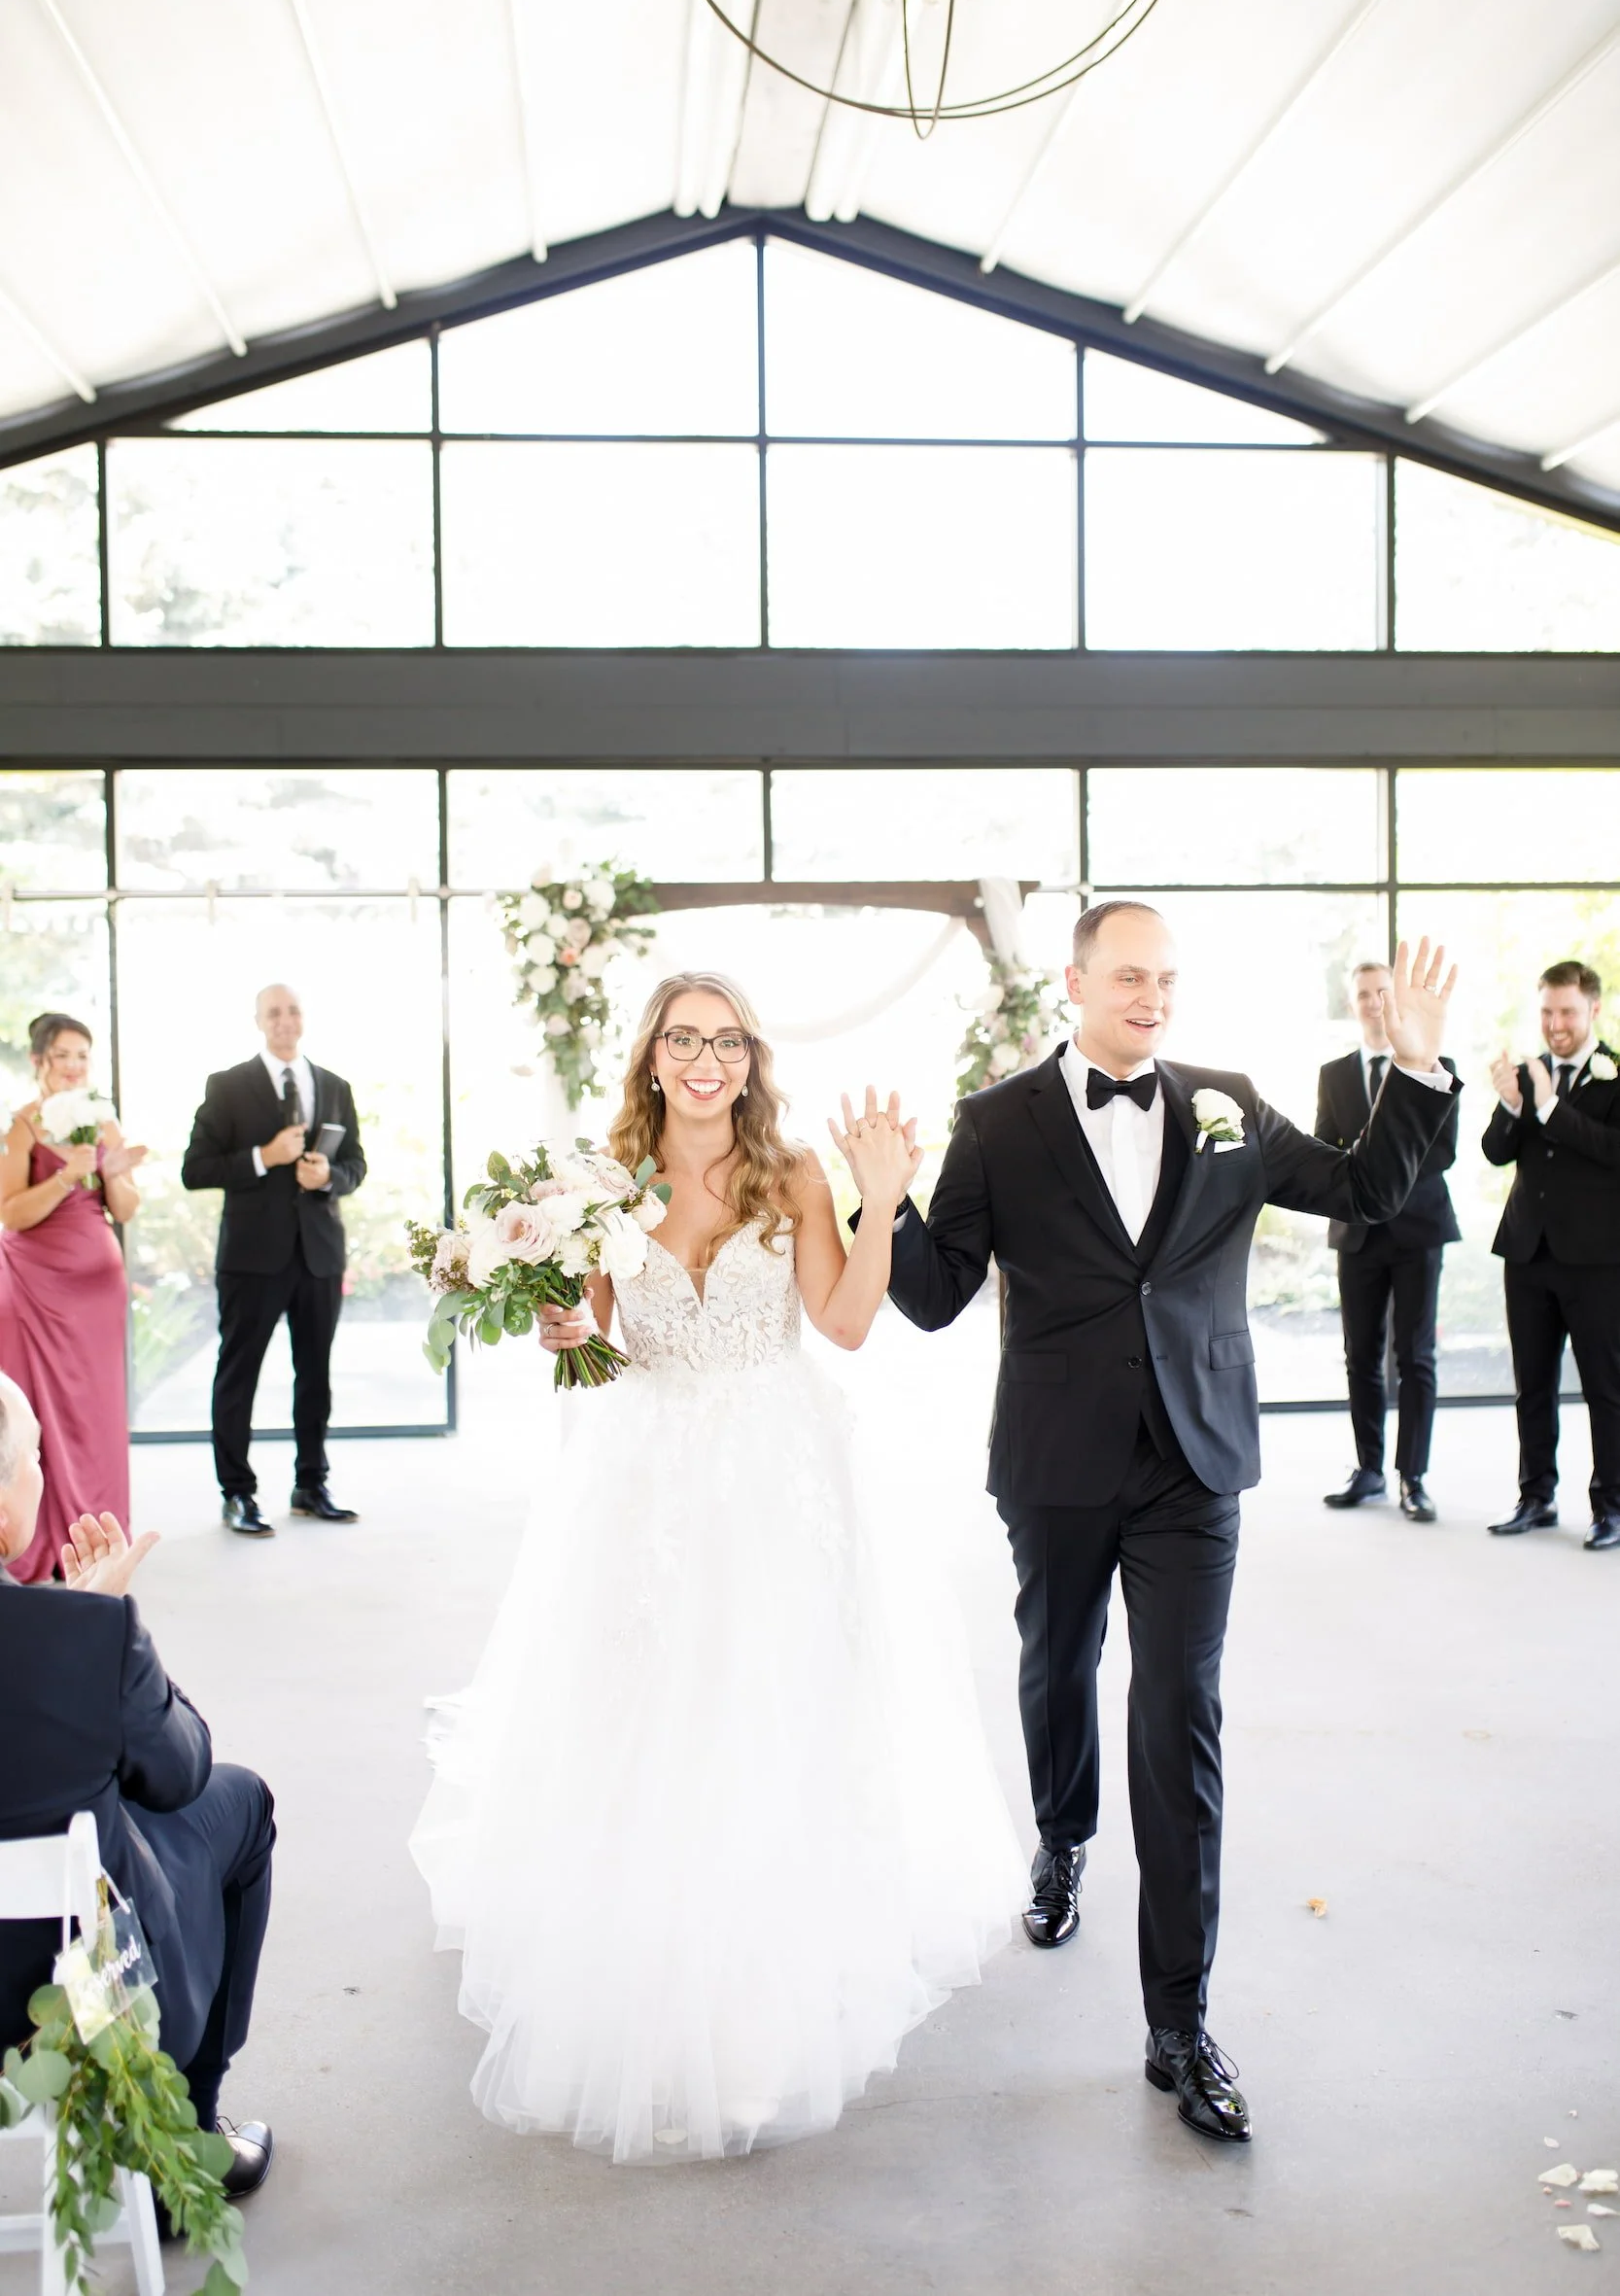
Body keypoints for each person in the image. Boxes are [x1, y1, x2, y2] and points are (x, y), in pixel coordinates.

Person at [853, 901, 1461, 2146]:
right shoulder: (995, 1121)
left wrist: (1410, 1067)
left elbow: (1365, 1187)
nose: (1152, 997)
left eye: (1167, 979)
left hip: (1195, 1460)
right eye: (1129, 976)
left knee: (1179, 1715)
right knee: (1055, 1665)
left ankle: (1176, 2023)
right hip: (1057, 1459)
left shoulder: (1225, 1099)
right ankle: (1061, 1839)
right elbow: (930, 1299)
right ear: (1073, 984)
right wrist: (886, 1204)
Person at [411, 972, 1024, 2163]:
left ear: (749, 1058)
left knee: (768, 1722)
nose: (705, 1059)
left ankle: (753, 2021)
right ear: (649, 1057)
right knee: (651, 1722)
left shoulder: (791, 1174)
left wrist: (883, 1200)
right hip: (642, 1478)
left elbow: (842, 1326)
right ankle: (653, 1989)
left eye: (726, 1041)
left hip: (777, 1476)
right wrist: (561, 1329)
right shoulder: (599, 1186)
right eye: (682, 1039)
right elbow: (590, 1346)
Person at [0, 1370, 275, 2197]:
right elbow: (179, 1772)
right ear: (6, 1509)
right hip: (80, 1995)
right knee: (241, 1800)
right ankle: (184, 2132)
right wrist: (102, 1630)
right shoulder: (84, 1635)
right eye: (32, 1460)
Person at [181, 985, 365, 1538]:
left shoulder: (335, 1086)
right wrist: (266, 1157)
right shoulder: (228, 1086)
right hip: (251, 1260)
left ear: (303, 1018)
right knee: (238, 1376)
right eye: (274, 1012)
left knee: (315, 1376)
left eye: (293, 1011)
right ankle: (236, 1493)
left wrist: (328, 1177)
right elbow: (196, 1170)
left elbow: (355, 1163)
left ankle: (311, 1484)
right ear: (258, 1020)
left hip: (318, 1256)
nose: (285, 1021)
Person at [0, 1012, 147, 1583]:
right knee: (33, 1413)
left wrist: (111, 1172)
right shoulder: (23, 1126)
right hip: (33, 1289)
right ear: (39, 1061)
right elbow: (10, 1213)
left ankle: (96, 1536)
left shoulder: (102, 1121)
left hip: (95, 1294)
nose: (74, 1066)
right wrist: (64, 1177)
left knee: (96, 1412)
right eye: (63, 1054)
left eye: (83, 1055)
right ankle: (35, 1535)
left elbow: (128, 1208)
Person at [1484, 958, 1620, 1552]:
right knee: (1531, 1385)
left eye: (1566, 1011)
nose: (1555, 1023)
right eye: (1546, 1011)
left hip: (1598, 1260)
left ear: (1592, 1009)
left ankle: (1611, 1506)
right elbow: (1494, 1152)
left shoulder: (1616, 1073)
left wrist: (1549, 1110)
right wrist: (1514, 1105)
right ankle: (1535, 1496)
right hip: (1527, 1252)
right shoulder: (1526, 1072)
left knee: (1606, 1388)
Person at [1317, 960, 1461, 1523]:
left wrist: (1377, 1163)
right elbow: (1325, 1146)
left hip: (1419, 1229)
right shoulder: (1333, 1074)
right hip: (1357, 1234)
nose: (1374, 1002)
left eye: (1382, 992)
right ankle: (1369, 1469)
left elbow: (1444, 1151)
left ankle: (1413, 1477)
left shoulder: (1438, 1066)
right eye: (1363, 994)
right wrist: (1365, 1162)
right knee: (1361, 1357)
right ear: (1352, 1003)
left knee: (1416, 1356)